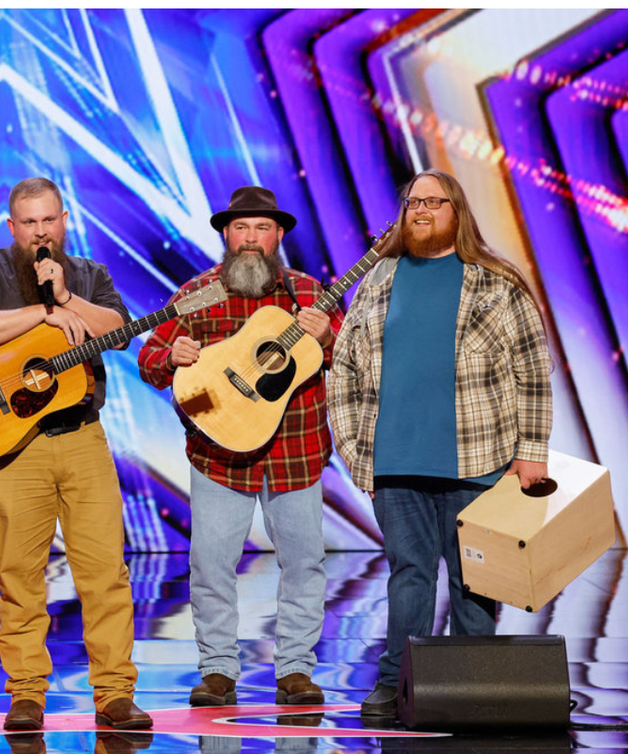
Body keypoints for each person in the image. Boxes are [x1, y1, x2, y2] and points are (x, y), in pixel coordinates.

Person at [327, 169, 553, 718]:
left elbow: (532, 367)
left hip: (479, 461)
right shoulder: (379, 278)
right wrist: (359, 451)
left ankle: (474, 682)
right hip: (397, 465)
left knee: (475, 579)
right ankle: (396, 682)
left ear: (457, 211)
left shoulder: (495, 280)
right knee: (409, 575)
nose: (420, 209)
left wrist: (532, 451)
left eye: (433, 200)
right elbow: (346, 369)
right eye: (412, 201)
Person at [0, 177, 151, 731]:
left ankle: (113, 693)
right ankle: (27, 695)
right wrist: (39, 316)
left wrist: (62, 299)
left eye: (49, 220)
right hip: (14, 447)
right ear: (13, 228)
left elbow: (117, 330)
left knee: (106, 570)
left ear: (65, 221)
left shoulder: (88, 274)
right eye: (29, 223)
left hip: (83, 437)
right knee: (19, 574)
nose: (40, 232)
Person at [138, 186, 340, 707]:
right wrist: (172, 355)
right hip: (220, 453)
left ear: (278, 236)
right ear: (227, 235)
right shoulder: (200, 293)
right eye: (242, 228)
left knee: (304, 562)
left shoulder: (308, 293)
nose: (252, 239)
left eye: (263, 228)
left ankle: (295, 668)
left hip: (295, 451)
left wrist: (328, 338)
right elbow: (150, 359)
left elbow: (351, 356)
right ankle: (218, 670)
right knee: (210, 564)